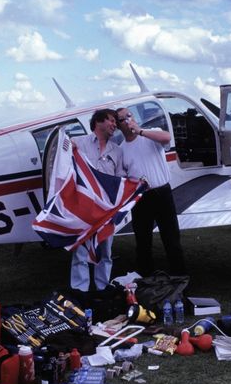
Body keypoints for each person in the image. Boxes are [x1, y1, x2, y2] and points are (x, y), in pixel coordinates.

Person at [115, 107, 186, 276]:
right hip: (140, 198)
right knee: (143, 241)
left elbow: (167, 138)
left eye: (129, 115)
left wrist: (140, 131)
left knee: (171, 238)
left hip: (162, 193)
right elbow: (122, 177)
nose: (128, 120)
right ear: (118, 125)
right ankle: (146, 277)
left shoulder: (150, 133)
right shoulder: (122, 149)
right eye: (123, 119)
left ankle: (180, 277)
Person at [69, 108, 123, 291]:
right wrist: (66, 146)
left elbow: (119, 179)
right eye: (111, 120)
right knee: (80, 252)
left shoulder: (117, 151)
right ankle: (80, 290)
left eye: (115, 122)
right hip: (83, 208)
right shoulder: (78, 143)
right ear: (98, 122)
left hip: (107, 209)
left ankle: (103, 287)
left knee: (106, 251)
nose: (115, 125)